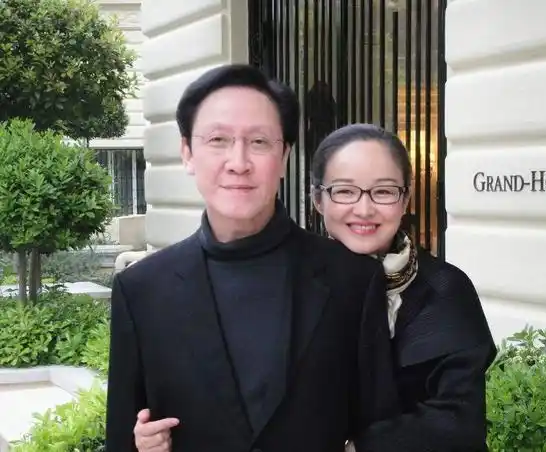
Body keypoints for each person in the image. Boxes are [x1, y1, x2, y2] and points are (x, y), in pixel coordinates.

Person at [106, 66, 400, 452]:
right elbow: (123, 436)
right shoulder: (141, 291)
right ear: (187, 153)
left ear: (285, 155)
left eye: (259, 141)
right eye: (218, 140)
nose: (239, 162)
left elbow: (381, 429)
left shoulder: (352, 279)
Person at [312, 124, 497, 451]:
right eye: (345, 191)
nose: (364, 209)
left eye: (383, 191)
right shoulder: (290, 286)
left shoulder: (445, 289)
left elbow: (459, 422)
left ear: (405, 198)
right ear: (318, 199)